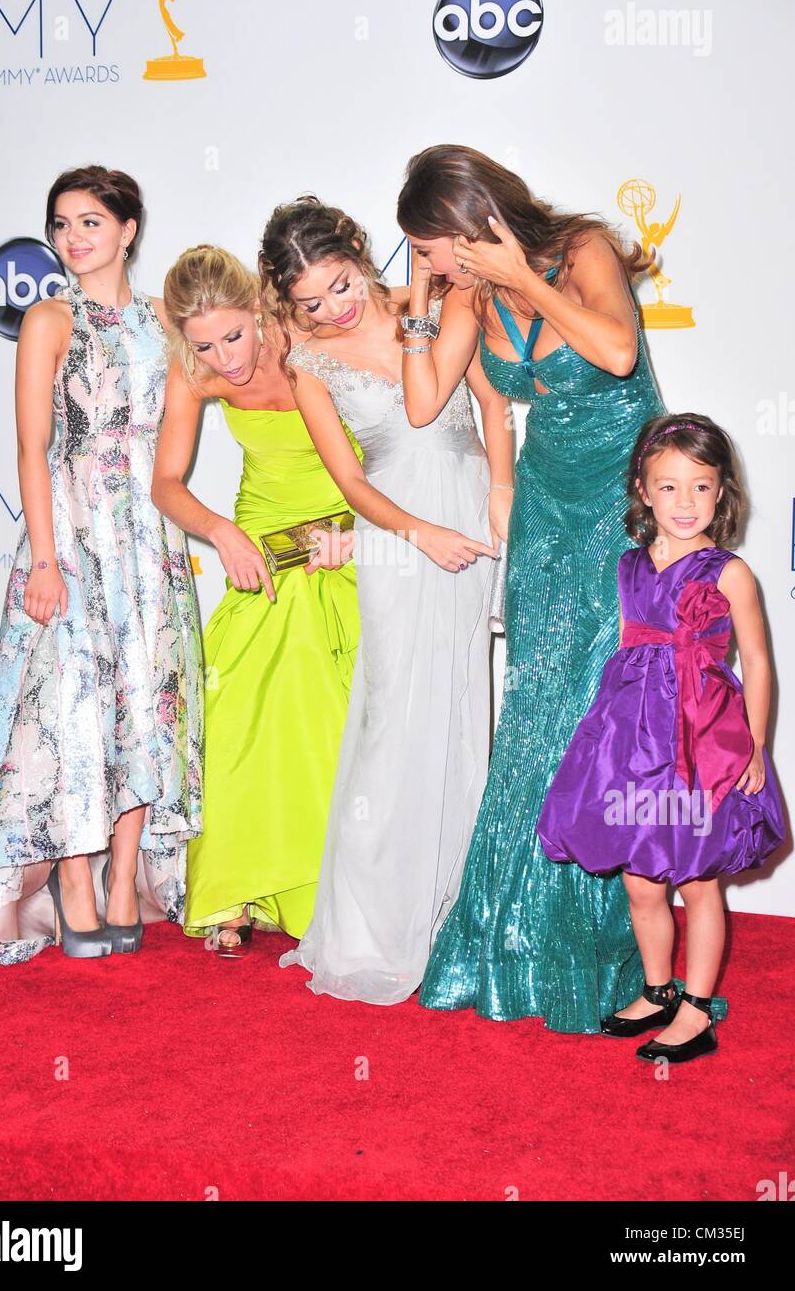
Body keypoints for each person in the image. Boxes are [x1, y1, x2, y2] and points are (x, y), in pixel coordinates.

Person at [397, 143, 665, 1031]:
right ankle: (507, 938)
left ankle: (609, 946)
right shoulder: (468, 296)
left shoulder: (581, 249)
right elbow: (424, 402)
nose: (425, 263)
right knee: (536, 703)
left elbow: (620, 353)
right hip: (550, 502)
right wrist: (420, 312)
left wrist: (526, 276)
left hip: (627, 495)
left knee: (602, 706)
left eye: (428, 245)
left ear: (470, 225)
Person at [261, 195, 512, 1004]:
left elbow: (491, 403)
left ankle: (453, 916)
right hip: (401, 539)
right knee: (393, 718)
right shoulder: (308, 365)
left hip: (471, 510)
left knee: (466, 705)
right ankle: (374, 926)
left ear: (359, 253)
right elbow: (351, 484)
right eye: (311, 302)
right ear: (288, 304)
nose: (334, 308)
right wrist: (419, 535)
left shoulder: (434, 302)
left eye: (339, 284)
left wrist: (501, 489)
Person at [0, 165, 202, 963]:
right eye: (62, 224)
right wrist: (45, 560)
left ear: (129, 229)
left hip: (149, 537)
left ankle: (123, 880)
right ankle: (70, 880)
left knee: (147, 710)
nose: (72, 237)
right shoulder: (49, 319)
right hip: (72, 532)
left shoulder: (169, 320)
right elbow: (33, 447)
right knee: (71, 713)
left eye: (90, 222)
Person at [536, 414, 785, 1062]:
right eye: (668, 487)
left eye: (700, 487)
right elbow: (626, 660)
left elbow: (756, 661)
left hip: (704, 745)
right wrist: (601, 746)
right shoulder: (627, 569)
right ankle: (658, 989)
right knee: (642, 882)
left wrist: (757, 746)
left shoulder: (728, 573)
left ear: (722, 492)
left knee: (699, 880)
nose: (684, 502)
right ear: (642, 491)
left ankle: (698, 1012)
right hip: (634, 745)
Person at [153, 244, 359, 954]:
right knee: (233, 705)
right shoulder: (196, 372)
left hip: (349, 541)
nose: (226, 359)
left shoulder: (311, 338)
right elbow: (167, 484)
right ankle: (235, 885)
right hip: (262, 550)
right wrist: (224, 535)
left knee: (316, 695)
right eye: (205, 345)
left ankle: (324, 890)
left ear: (259, 312)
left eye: (234, 336)